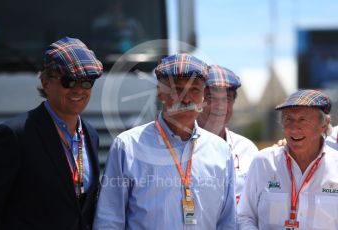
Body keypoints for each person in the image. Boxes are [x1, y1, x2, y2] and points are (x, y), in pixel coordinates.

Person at [93, 54, 236, 229]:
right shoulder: (128, 146)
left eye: (195, 90)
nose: (186, 99)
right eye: (177, 89)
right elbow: (109, 219)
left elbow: (227, 222)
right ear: (160, 93)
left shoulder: (220, 150)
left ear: (204, 97)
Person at [0, 37, 103, 230]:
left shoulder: (91, 135)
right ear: (45, 83)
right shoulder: (14, 135)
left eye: (87, 82)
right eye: (69, 81)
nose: (78, 90)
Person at [238, 89, 338, 230]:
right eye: (288, 119)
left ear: (324, 124)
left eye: (303, 120)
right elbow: (244, 216)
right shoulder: (263, 162)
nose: (294, 129)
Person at [197, 65, 258, 203]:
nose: (220, 106)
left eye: (227, 98)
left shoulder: (247, 149)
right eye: (211, 97)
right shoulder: (179, 147)